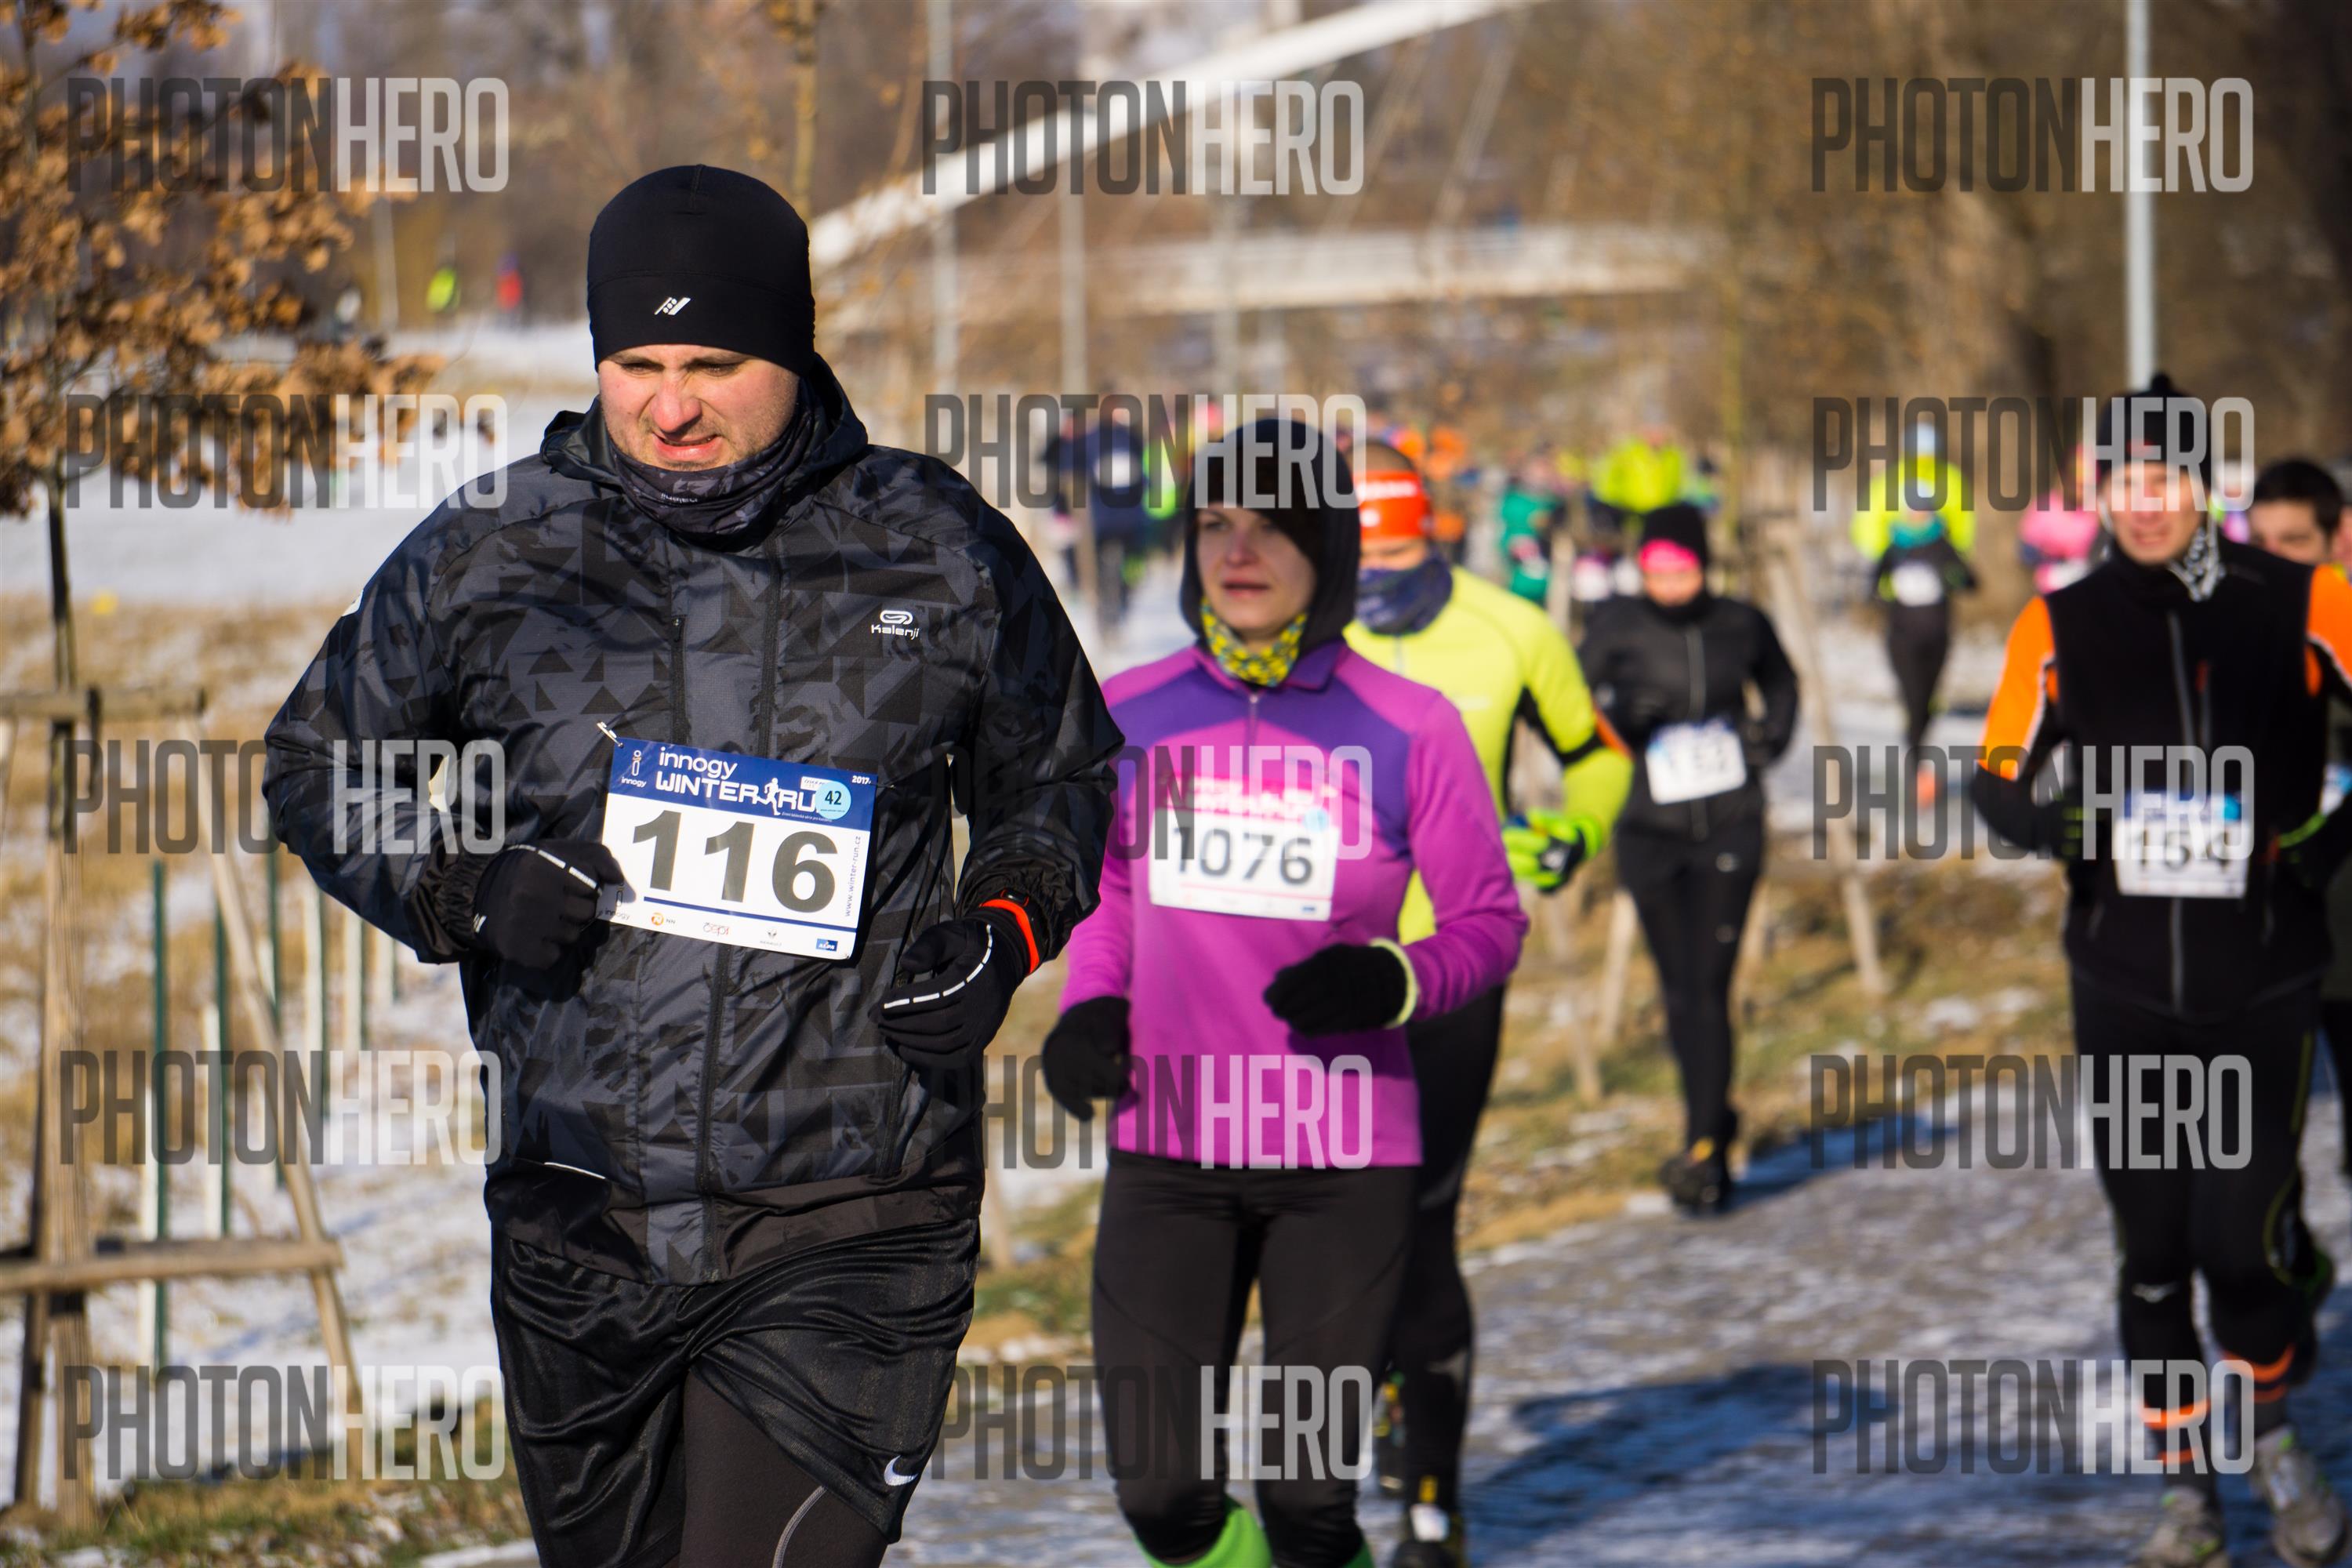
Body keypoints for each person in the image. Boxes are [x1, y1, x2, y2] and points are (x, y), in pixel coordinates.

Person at [264, 165, 1122, 1568]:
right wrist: (461, 885)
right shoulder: (495, 550)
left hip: (853, 1212)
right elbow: (317, 762)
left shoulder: (937, 544)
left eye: (714, 365)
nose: (670, 408)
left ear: (794, 347)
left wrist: (1005, 927)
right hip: (579, 1219)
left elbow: (1060, 779)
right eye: (637, 365)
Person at [1038, 417, 1528, 1568]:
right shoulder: (1131, 712)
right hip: (1171, 1149)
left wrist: (1393, 976)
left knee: (1309, 1503)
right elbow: (1113, 887)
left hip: (1342, 1159)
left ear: (1331, 548)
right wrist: (1090, 1005)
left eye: (1273, 525)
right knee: (1163, 1497)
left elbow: (1489, 922)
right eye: (1215, 522)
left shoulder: (1411, 726)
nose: (1238, 550)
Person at [1972, 376, 2350, 1568]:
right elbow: (1994, 778)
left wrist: (2327, 844)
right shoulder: (2057, 623)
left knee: (2239, 1247)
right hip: (2125, 980)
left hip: (2265, 975)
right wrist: (2056, 823)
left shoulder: (2307, 598)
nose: (2144, 503)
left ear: (2203, 486)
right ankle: (2188, 1491)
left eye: (2165, 479)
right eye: (2123, 481)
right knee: (2151, 1256)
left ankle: (2273, 1435)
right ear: (2099, 492)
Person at [1344, 445, 1632, 1565]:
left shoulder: (1511, 629)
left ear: (1436, 531)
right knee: (1333, 1219)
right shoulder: (1292, 635)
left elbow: (1597, 756)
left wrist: (1570, 830)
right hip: (1318, 974)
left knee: (1423, 1218)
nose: (1379, 572)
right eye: (1360, 552)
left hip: (1453, 965)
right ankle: (1372, 1384)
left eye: (1399, 549)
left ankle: (1435, 1504)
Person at [1577, 503, 1799, 1214]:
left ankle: (1704, 1145)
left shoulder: (1741, 622)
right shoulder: (1616, 626)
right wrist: (1621, 721)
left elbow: (1783, 682)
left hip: (1729, 823)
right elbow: (1571, 712)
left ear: (1705, 566)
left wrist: (1770, 737)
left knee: (1709, 983)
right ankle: (1710, 1120)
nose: (1670, 586)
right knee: (1679, 987)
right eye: (1657, 573)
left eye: (1683, 571)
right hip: (1649, 828)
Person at [2249, 458, 2352, 1199]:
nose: (2275, 559)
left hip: (2347, 927)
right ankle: (2285, 1254)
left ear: (2337, 537)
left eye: (2294, 542)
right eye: (2261, 542)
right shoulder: (2227, 633)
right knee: (2255, 1155)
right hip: (2255, 928)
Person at [1852, 421, 1976, 810]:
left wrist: (1949, 565)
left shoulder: (1950, 483)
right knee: (1913, 696)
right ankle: (1917, 765)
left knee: (1926, 697)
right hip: (1902, 615)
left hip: (1936, 614)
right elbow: (1868, 526)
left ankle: (1918, 758)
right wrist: (1887, 567)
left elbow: (1964, 535)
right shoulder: (1889, 485)